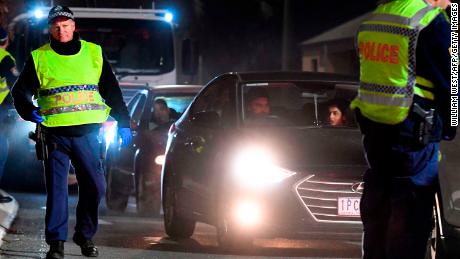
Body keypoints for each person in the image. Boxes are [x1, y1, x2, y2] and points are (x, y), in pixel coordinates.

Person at [11, 6, 132, 259]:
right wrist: (29, 111)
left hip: (87, 134)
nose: (61, 29)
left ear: (74, 27)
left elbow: (111, 90)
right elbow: (20, 91)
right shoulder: (39, 57)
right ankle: (56, 243)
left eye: (65, 25)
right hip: (54, 134)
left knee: (96, 187)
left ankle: (84, 234)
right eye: (56, 25)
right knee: (57, 190)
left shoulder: (93, 53)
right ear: (50, 28)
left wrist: (124, 122)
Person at [350, 0, 453, 258]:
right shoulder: (430, 21)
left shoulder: (373, 20)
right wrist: (452, 125)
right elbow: (450, 82)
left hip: (375, 134)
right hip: (414, 134)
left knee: (378, 215)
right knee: (410, 219)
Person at [0, 27, 17, 203]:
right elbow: (14, 85)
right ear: (6, 41)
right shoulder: (5, 58)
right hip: (0, 110)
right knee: (1, 151)